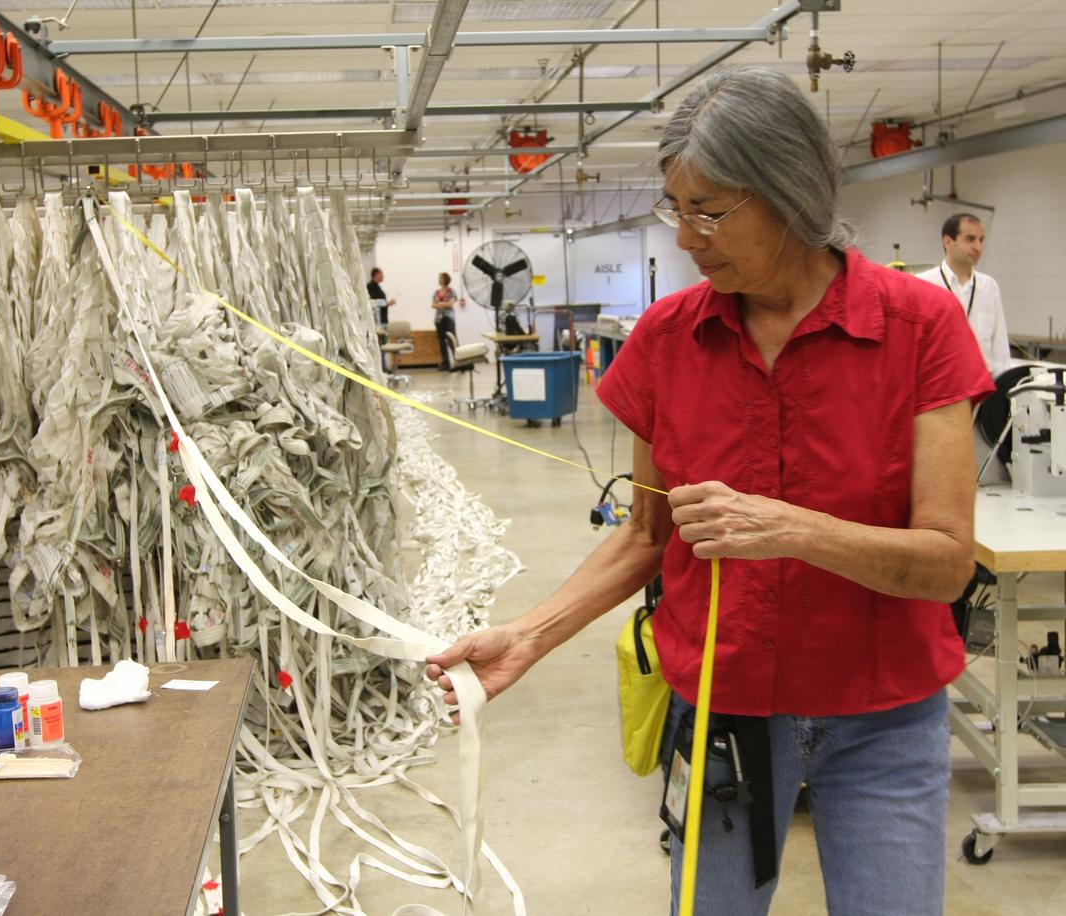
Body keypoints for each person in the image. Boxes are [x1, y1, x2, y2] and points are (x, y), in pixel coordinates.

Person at [425, 65, 992, 916]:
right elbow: (648, 534)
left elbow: (947, 563)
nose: (688, 236)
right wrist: (528, 636)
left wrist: (796, 529)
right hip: (725, 715)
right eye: (675, 208)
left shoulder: (919, 330)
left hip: (882, 719)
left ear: (790, 194)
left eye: (711, 211)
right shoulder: (666, 339)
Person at [915, 214, 1011, 378]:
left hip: (983, 391)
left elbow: (1000, 349)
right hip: (940, 388)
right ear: (947, 242)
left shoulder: (989, 287)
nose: (978, 247)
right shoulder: (923, 284)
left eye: (981, 240)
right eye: (970, 239)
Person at [432, 272, 460, 370]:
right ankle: (446, 363)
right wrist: (443, 304)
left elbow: (450, 304)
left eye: (441, 278)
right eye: (439, 278)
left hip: (448, 318)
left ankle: (459, 362)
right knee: (442, 341)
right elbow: (433, 305)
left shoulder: (451, 291)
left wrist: (439, 304)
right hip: (438, 319)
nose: (439, 279)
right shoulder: (436, 292)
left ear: (445, 279)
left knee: (452, 339)